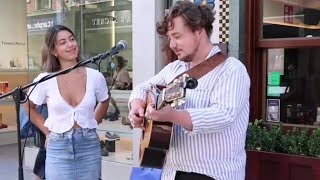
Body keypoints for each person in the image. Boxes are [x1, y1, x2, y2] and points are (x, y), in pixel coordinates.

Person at [128, 1, 250, 180]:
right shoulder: (174, 68)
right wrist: (136, 104)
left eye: (177, 36)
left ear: (199, 31)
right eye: (169, 37)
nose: (172, 44)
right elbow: (143, 87)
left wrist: (173, 116)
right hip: (171, 172)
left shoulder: (231, 69)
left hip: (213, 174)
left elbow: (224, 115)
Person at [23, 25, 110, 180]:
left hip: (89, 146)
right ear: (54, 51)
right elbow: (28, 106)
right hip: (58, 148)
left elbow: (104, 100)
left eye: (72, 39)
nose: (70, 44)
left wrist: (91, 123)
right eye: (63, 42)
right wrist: (47, 132)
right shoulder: (45, 79)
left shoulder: (95, 76)